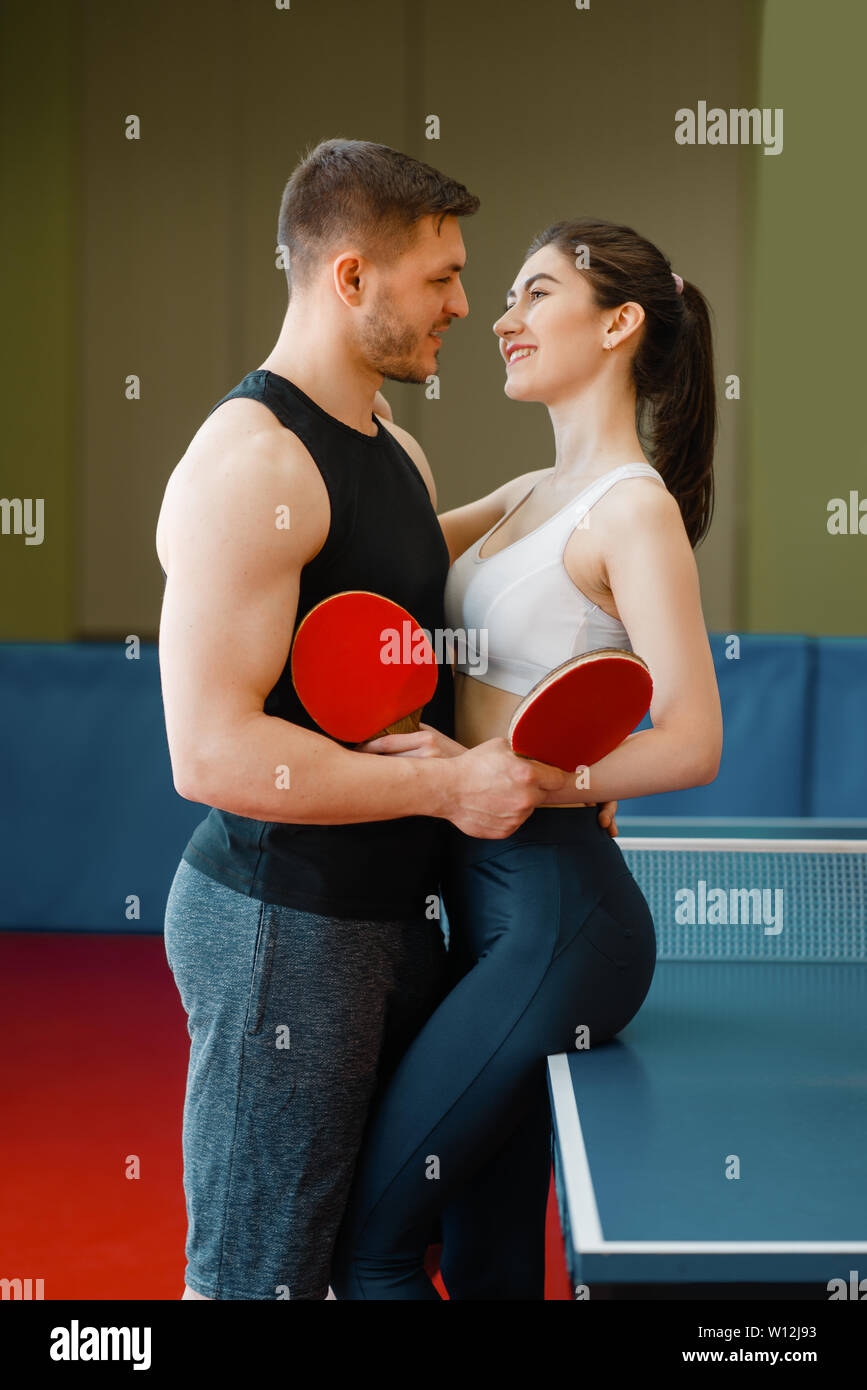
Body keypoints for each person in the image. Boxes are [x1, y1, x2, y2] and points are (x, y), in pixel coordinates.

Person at [157, 139, 612, 1301]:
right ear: (351, 278)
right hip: (283, 926)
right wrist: (448, 787)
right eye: (442, 277)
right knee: (264, 1278)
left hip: (391, 918)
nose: (469, 303)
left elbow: (424, 605)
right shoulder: (247, 463)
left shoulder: (395, 451)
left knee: (370, 1259)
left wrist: (555, 770)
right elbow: (208, 751)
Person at [330, 218, 724, 1300]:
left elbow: (693, 739)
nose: (502, 319)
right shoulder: (524, 494)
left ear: (620, 324)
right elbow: (364, 559)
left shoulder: (631, 511)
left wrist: (558, 779)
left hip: (560, 922)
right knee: (490, 1256)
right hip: (479, 900)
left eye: (536, 294)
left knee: (370, 1241)